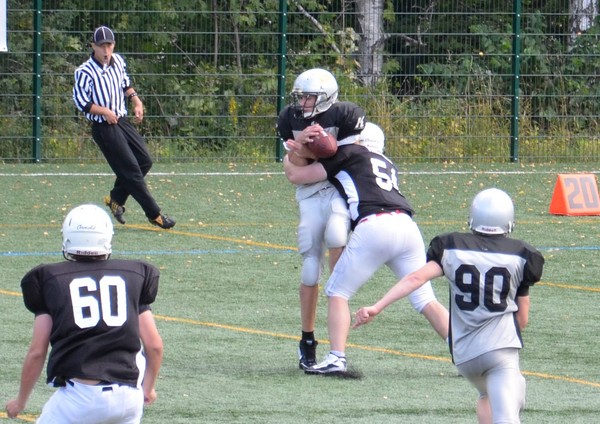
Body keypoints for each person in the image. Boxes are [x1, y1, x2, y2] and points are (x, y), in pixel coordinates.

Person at [354, 188, 545, 423]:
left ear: (473, 218)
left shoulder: (451, 246)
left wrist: (377, 306)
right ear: (508, 222)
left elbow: (415, 278)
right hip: (499, 349)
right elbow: (522, 320)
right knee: (509, 409)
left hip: (464, 354)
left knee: (486, 394)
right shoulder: (523, 256)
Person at [283, 122, 449, 375]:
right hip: (407, 226)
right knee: (425, 298)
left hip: (375, 225)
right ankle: (466, 352)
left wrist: (294, 151)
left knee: (337, 291)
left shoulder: (349, 153)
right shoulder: (387, 162)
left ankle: (336, 357)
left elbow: (297, 176)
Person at [5, 204, 164, 423]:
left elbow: (37, 352)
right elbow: (154, 345)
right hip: (129, 397)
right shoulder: (135, 274)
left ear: (68, 238)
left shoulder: (48, 279)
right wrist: (149, 387)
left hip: (81, 397)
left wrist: (20, 401)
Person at [276, 68, 367, 369]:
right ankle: (307, 339)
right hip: (309, 194)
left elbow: (345, 158)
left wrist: (309, 150)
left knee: (338, 235)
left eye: (309, 97)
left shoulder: (346, 115)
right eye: (300, 96)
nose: (302, 102)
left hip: (337, 187)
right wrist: (303, 144)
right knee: (309, 266)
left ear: (326, 97)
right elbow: (293, 165)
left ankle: (337, 340)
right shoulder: (289, 118)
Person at [73, 25, 175, 229]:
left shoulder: (118, 61)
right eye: (101, 46)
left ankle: (116, 199)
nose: (106, 50)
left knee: (144, 161)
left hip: (121, 121)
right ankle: (154, 214)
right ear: (93, 46)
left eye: (109, 45)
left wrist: (136, 101)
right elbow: (81, 102)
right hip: (104, 127)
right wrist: (104, 112)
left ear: (114, 45)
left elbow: (125, 84)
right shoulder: (84, 71)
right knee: (131, 170)